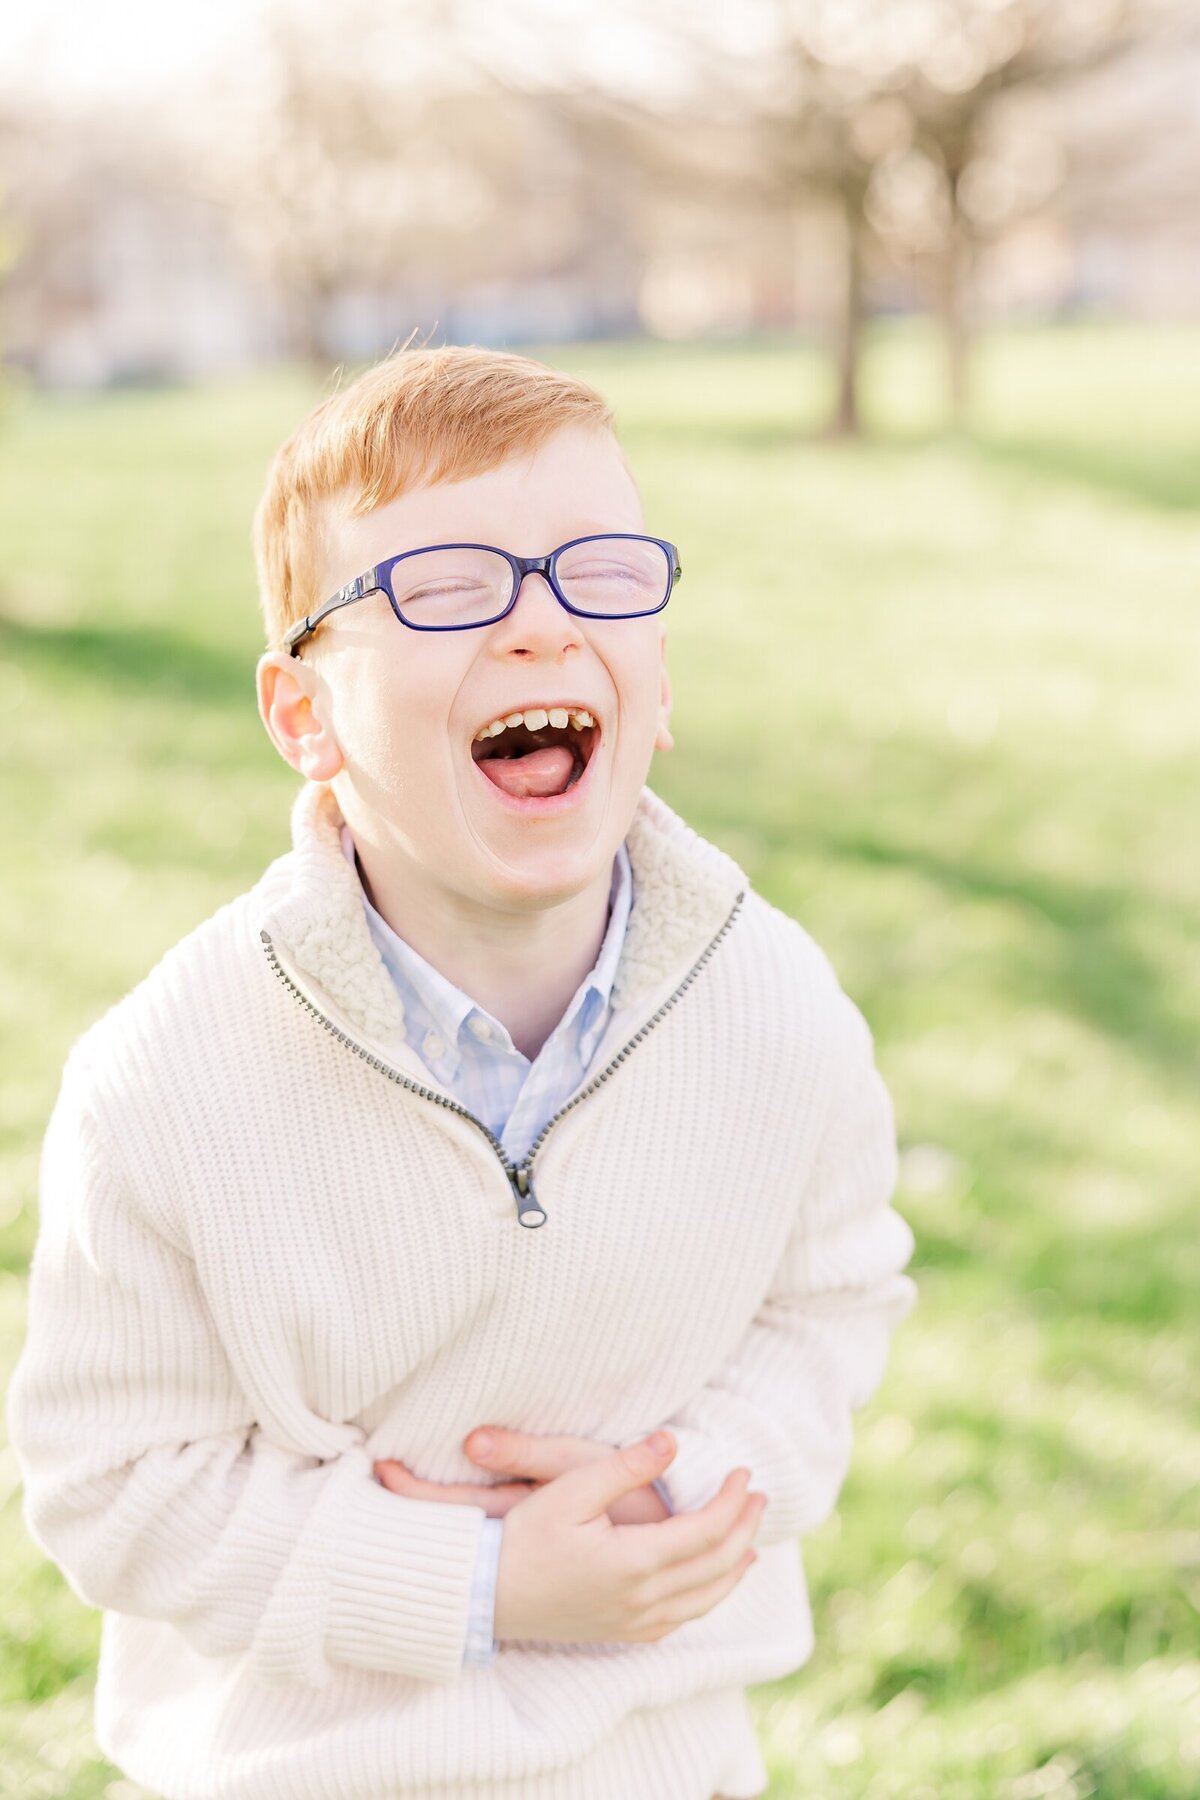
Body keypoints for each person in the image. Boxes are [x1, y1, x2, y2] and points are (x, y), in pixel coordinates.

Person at [6, 342, 919, 1800]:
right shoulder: (168, 1084)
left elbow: (830, 1302)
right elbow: (114, 1484)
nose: (544, 629)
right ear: (304, 717)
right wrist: (477, 1582)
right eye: (445, 590)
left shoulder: (774, 1010)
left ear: (659, 678)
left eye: (598, 573)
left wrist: (678, 1492)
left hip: (661, 1768)